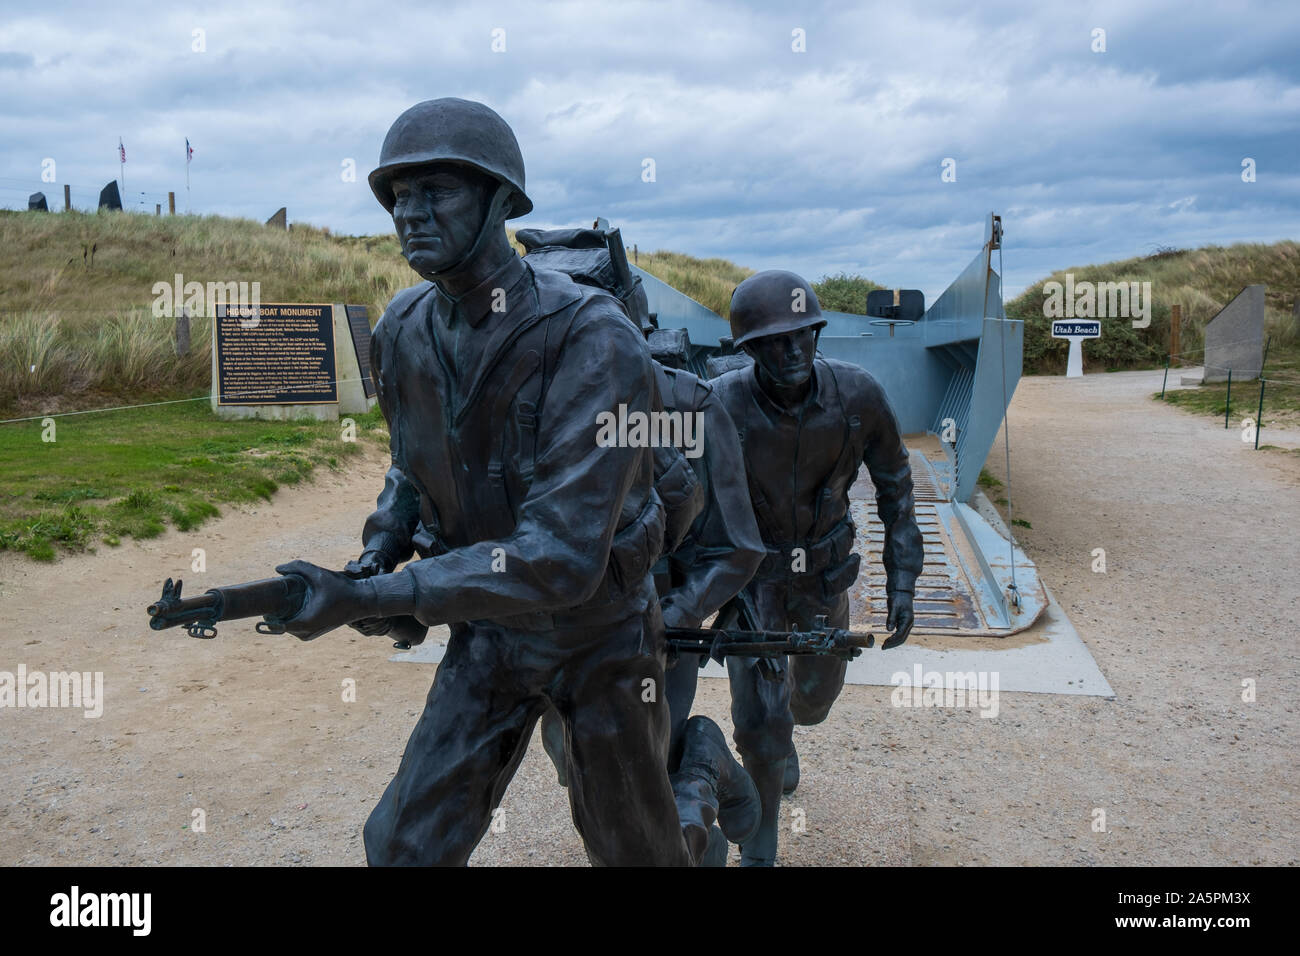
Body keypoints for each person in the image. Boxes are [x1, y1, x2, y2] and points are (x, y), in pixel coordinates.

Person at [271, 98, 753, 865]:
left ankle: (698, 774)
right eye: (399, 197)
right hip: (489, 630)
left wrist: (377, 598)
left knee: (641, 854)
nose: (412, 215)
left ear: (501, 202)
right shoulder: (401, 329)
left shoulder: (591, 336)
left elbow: (560, 556)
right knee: (402, 847)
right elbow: (409, 464)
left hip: (600, 634)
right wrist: (378, 552)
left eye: (438, 193)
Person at [709, 269, 925, 866]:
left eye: (803, 336)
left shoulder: (859, 396)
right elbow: (687, 500)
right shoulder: (722, 406)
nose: (792, 351)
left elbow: (897, 491)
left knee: (813, 699)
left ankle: (788, 735)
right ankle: (760, 845)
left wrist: (903, 579)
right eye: (775, 341)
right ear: (749, 349)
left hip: (825, 579)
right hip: (755, 584)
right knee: (759, 723)